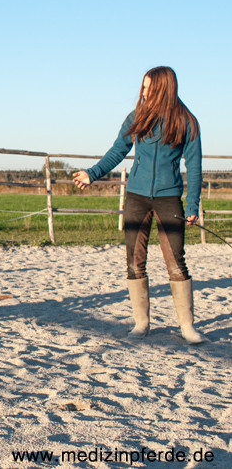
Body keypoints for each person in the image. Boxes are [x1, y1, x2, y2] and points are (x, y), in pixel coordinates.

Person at [73, 66, 203, 344]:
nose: (142, 92)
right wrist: (92, 173)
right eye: (142, 86)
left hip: (169, 198)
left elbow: (194, 166)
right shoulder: (136, 118)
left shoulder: (186, 121)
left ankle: (187, 326)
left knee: (176, 263)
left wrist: (192, 205)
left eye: (148, 87)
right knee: (134, 261)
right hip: (136, 196)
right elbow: (117, 151)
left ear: (163, 88)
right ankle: (141, 322)